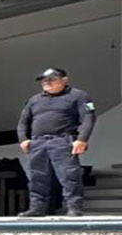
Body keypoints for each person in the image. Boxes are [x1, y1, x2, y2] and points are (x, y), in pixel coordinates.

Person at [17, 67, 97, 218]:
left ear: (64, 80)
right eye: (43, 80)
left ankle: (73, 207)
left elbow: (88, 118)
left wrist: (82, 139)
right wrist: (23, 139)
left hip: (62, 140)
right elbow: (23, 122)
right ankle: (37, 208)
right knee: (37, 177)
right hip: (38, 143)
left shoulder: (78, 96)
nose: (46, 82)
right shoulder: (34, 100)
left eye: (51, 79)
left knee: (69, 176)